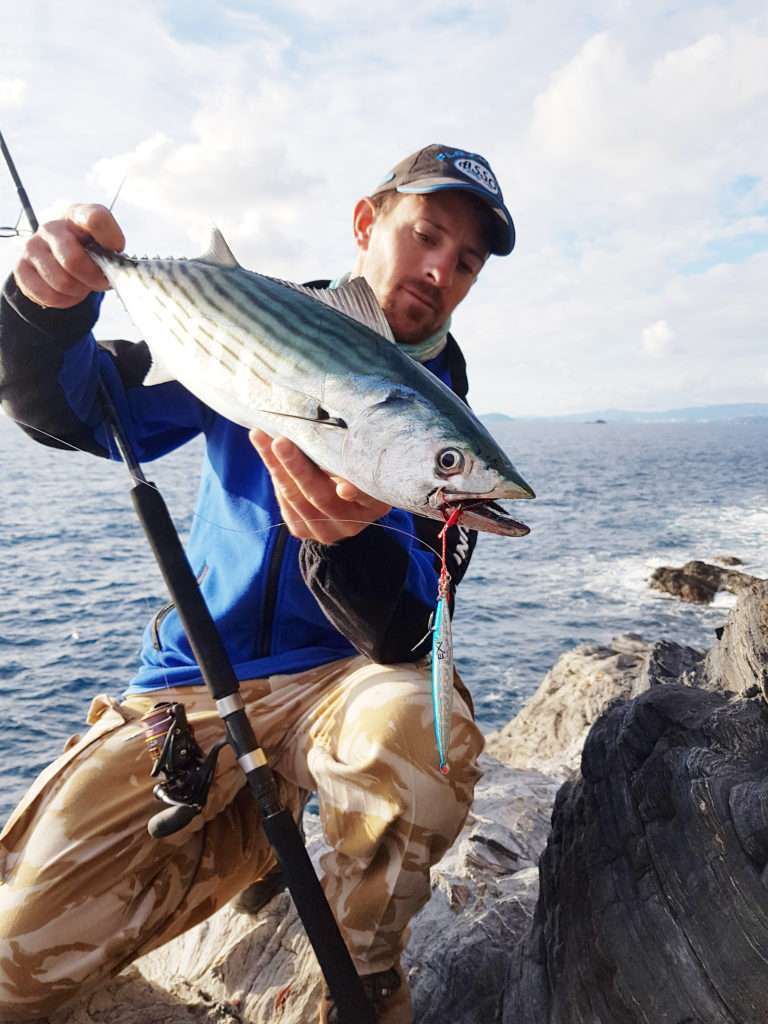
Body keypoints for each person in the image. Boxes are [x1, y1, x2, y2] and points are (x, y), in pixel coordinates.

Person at [0, 144, 516, 1024]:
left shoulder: (442, 427)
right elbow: (83, 410)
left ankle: (360, 978)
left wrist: (344, 546)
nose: (439, 268)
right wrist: (39, 314)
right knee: (13, 962)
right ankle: (251, 838)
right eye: (425, 234)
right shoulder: (250, 327)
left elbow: (413, 640)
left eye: (465, 260)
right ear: (366, 222)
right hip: (192, 682)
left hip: (336, 688)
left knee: (419, 731)